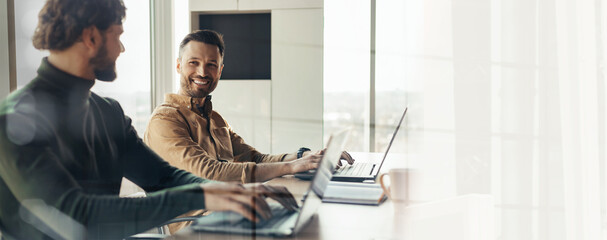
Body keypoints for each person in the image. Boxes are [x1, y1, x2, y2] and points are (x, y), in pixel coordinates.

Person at [0, 1, 297, 239]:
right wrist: (205, 195)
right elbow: (76, 216)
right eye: (118, 36)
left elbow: (163, 177)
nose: (122, 48)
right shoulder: (13, 119)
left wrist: (227, 190)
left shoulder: (108, 113)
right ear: (91, 37)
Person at [144, 29, 354, 184]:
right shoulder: (165, 120)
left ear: (220, 70)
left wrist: (304, 157)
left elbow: (256, 158)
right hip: (196, 223)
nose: (203, 72)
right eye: (194, 62)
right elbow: (208, 172)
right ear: (179, 65)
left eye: (211, 65)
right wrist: (290, 167)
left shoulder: (215, 118)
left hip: (234, 207)